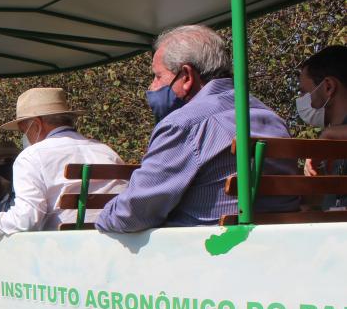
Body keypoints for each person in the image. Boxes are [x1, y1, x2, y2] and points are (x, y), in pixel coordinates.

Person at [96, 25, 299, 233]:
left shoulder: (185, 124)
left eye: (157, 76)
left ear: (186, 76)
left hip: (203, 252)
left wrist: (101, 219)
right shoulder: (271, 118)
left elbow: (132, 214)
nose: (152, 88)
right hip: (274, 247)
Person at [0, 87, 124, 256]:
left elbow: (26, 219)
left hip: (60, 255)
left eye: (24, 131)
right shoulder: (107, 152)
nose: (25, 137)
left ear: (36, 124)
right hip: (111, 249)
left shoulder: (32, 157)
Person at [298, 45, 347, 209]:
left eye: (305, 92)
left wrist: (329, 134)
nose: (303, 101)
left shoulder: (332, 138)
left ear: (328, 87)